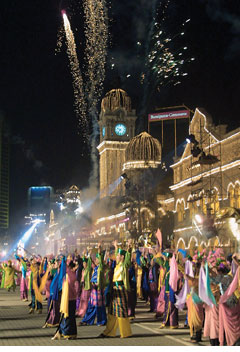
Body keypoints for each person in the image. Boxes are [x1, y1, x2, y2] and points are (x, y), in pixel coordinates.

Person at [99, 239, 132, 338]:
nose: (116, 256)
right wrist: (114, 246)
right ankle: (109, 332)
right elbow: (103, 265)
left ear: (122, 257)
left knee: (121, 312)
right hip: (114, 290)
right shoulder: (116, 266)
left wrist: (129, 247)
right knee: (112, 311)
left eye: (118, 255)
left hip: (121, 290)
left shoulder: (124, 266)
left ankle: (125, 333)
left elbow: (127, 259)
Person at [52, 259, 78, 340]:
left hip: (68, 299)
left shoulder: (67, 275)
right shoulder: (71, 274)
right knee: (69, 317)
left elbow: (67, 286)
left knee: (67, 317)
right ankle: (61, 333)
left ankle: (67, 333)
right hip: (71, 298)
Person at [76, 251, 92, 319]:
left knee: (85, 301)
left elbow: (89, 262)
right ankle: (80, 311)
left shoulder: (88, 270)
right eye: (83, 263)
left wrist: (88, 255)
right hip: (83, 287)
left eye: (85, 263)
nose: (84, 264)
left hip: (87, 287)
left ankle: (84, 312)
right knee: (82, 300)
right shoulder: (83, 270)